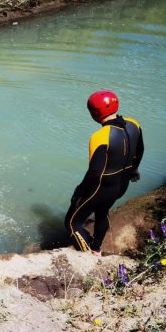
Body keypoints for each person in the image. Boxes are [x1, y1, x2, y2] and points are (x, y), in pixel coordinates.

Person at [65, 90, 144, 255]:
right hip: (122, 184)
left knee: (72, 223)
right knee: (102, 212)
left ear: (94, 113)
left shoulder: (100, 136)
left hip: (103, 186)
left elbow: (95, 172)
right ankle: (96, 248)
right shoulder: (133, 124)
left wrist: (79, 192)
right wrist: (134, 169)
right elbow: (140, 150)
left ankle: (87, 256)